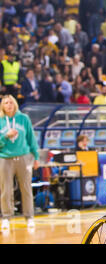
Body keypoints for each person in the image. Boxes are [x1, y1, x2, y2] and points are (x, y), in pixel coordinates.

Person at [0, 95, 40, 231]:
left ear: (15, 104)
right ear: (2, 106)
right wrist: (6, 136)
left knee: (26, 188)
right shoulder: (0, 121)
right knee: (6, 190)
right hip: (5, 158)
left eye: (11, 102)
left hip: (24, 157)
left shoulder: (23, 118)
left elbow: (31, 139)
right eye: (6, 103)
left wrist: (36, 157)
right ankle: (6, 217)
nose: (9, 105)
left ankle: (29, 217)